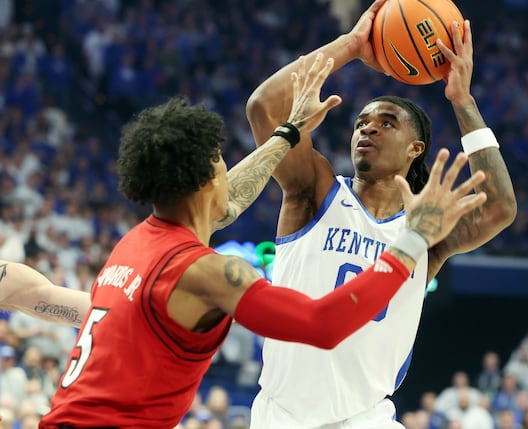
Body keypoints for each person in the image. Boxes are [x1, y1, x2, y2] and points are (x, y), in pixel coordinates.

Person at [24, 54, 486, 429]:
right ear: (207, 183)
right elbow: (320, 325)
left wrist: (289, 131)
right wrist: (412, 243)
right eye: (223, 162)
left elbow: (45, 298)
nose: (234, 169)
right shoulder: (210, 273)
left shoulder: (131, 249)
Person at [244, 1, 517, 427]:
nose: (367, 128)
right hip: (284, 414)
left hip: (367, 417)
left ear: (416, 148)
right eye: (361, 123)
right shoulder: (313, 190)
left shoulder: (425, 226)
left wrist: (463, 101)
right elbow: (264, 108)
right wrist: (350, 46)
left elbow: (500, 207)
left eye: (387, 123)